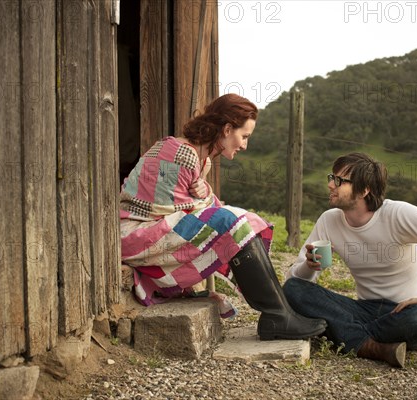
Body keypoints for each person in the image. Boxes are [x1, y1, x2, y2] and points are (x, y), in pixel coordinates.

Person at [120, 93, 326, 340]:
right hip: (135, 234)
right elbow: (170, 210)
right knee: (230, 220)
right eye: (244, 136)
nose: (244, 145)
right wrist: (204, 197)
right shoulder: (178, 152)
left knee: (243, 220)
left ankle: (280, 313)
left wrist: (205, 193)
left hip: (156, 232)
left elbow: (200, 207)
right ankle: (278, 315)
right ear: (227, 129)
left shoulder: (200, 158)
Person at [283, 152, 417, 367]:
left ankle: (348, 335)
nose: (330, 185)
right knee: (293, 290)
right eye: (331, 177)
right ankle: (372, 346)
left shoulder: (397, 214)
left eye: (339, 181)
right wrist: (310, 267)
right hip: (364, 310)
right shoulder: (329, 221)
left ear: (364, 190)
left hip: (404, 311)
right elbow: (296, 281)